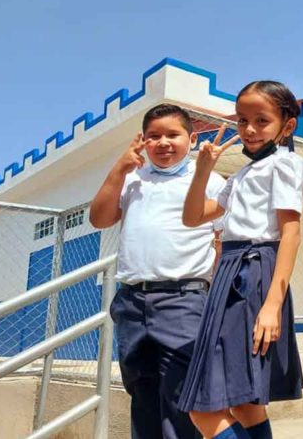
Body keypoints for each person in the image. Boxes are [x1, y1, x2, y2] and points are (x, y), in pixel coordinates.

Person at [178, 81, 303, 439]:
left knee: (203, 407)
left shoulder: (285, 165)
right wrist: (203, 168)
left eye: (261, 120)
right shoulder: (242, 175)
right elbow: (192, 217)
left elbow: (291, 233)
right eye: (242, 120)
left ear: (287, 125)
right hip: (229, 273)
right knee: (247, 404)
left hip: (255, 273)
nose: (249, 129)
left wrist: (272, 305)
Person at [89, 103, 225, 439]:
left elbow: (222, 239)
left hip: (184, 301)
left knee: (182, 398)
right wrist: (118, 169)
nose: (163, 142)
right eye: (153, 136)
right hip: (133, 303)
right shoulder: (133, 179)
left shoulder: (208, 179)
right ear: (143, 141)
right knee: (142, 394)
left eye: (172, 134)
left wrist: (214, 294)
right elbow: (99, 219)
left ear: (191, 139)